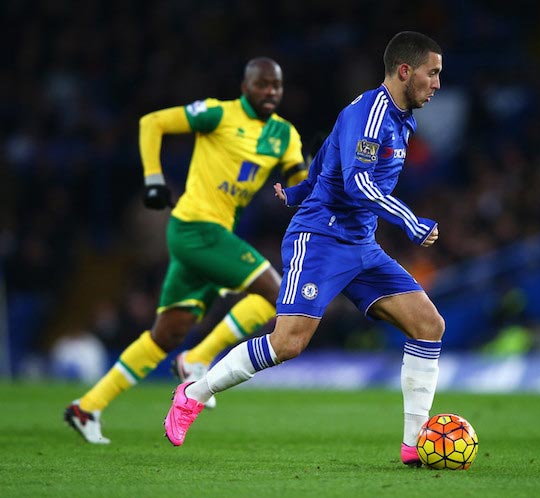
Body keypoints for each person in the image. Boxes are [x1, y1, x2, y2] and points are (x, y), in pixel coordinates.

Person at [163, 31, 445, 467]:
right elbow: (358, 181)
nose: (437, 83)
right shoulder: (371, 113)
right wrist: (410, 221)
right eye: (433, 73)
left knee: (429, 324)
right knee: (287, 343)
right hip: (321, 240)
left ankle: (415, 444)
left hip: (361, 244)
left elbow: (330, 149)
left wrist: (301, 188)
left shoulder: (399, 117)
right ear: (405, 71)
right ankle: (192, 394)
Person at [64, 57, 307, 444]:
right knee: (279, 295)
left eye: (276, 86)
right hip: (196, 228)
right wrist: (154, 179)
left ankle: (88, 406)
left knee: (167, 333)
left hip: (213, 238)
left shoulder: (285, 135)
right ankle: (198, 359)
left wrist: (315, 186)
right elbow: (152, 123)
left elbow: (298, 181)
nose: (270, 92)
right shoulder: (216, 113)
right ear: (245, 87)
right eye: (262, 85)